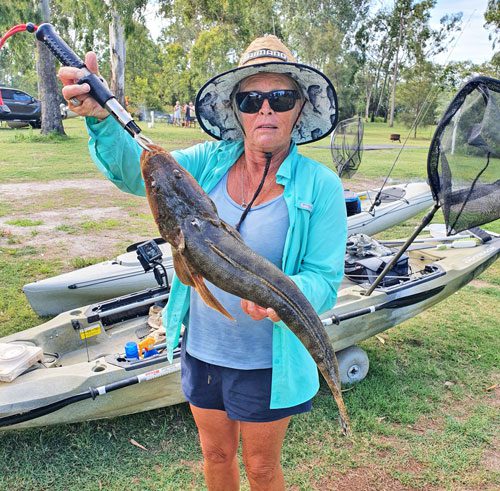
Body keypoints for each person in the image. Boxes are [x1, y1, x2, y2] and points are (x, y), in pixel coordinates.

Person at [58, 34, 347, 490]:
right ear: (237, 109)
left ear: (299, 107)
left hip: (266, 360)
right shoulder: (206, 162)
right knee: (215, 455)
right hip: (204, 350)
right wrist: (101, 122)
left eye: (280, 97)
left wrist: (284, 299)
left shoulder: (320, 187)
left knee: (263, 468)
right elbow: (137, 172)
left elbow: (324, 280)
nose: (265, 109)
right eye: (251, 99)